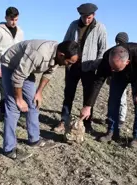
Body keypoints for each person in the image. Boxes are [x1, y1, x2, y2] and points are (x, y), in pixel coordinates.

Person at [0, 39, 79, 159]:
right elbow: (17, 77)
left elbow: (48, 73)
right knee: (13, 108)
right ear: (61, 55)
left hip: (25, 69)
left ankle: (34, 140)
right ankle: (9, 149)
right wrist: (19, 99)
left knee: (34, 103)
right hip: (11, 66)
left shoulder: (58, 56)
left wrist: (39, 92)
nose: (69, 65)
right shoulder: (39, 54)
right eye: (69, 62)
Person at [80, 43, 137, 149]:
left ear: (127, 62)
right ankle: (112, 132)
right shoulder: (107, 58)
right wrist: (88, 105)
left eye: (115, 68)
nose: (112, 70)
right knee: (113, 101)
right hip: (119, 77)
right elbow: (98, 82)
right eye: (111, 68)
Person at [53, 3, 107, 133]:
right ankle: (64, 120)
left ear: (94, 15)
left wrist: (95, 64)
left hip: (89, 67)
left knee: (88, 95)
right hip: (72, 66)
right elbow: (65, 42)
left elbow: (103, 49)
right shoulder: (73, 25)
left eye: (89, 17)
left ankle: (87, 124)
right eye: (84, 17)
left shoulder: (100, 28)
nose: (86, 20)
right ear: (80, 15)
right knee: (68, 94)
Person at [0, 7, 24, 119]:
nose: (14, 22)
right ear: (6, 18)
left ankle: (17, 111)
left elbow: (22, 48)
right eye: (12, 19)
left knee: (17, 88)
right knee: (3, 90)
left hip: (16, 66)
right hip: (3, 65)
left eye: (16, 19)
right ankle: (4, 113)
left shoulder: (20, 32)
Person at [105, 32, 129, 127]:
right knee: (112, 99)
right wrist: (109, 77)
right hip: (113, 80)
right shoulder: (113, 52)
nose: (118, 43)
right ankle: (110, 116)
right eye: (117, 41)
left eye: (121, 42)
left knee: (122, 99)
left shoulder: (126, 53)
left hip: (123, 81)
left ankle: (121, 119)